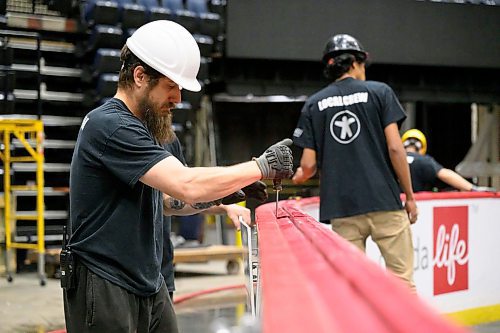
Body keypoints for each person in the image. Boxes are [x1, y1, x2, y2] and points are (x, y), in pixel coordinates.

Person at [64, 20, 293, 333]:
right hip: (106, 280)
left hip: (146, 277)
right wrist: (262, 165)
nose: (178, 98)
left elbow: (169, 201)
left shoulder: (148, 128)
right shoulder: (111, 126)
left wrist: (222, 193)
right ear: (140, 76)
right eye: (171, 87)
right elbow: (184, 183)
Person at [292, 34, 417, 290]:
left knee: (353, 287)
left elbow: (307, 166)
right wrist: (410, 196)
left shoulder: (314, 104)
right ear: (356, 63)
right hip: (385, 202)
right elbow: (396, 148)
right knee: (401, 281)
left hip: (343, 209)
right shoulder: (380, 92)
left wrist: (299, 177)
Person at [161, 136, 268, 300]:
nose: (173, 108)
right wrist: (258, 168)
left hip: (161, 271)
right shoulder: (128, 132)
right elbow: (173, 197)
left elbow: (185, 195)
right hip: (127, 276)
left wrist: (225, 203)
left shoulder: (168, 138)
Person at [402, 128, 496, 192]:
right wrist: (473, 189)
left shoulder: (392, 161)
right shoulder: (425, 161)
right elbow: (445, 174)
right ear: (422, 147)